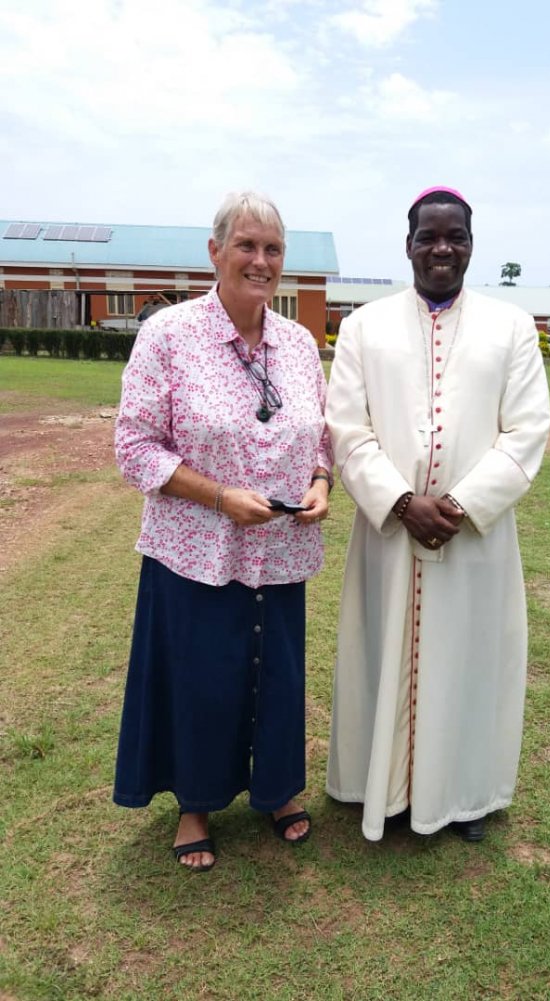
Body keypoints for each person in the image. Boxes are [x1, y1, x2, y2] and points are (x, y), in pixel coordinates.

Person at [114, 190, 333, 871]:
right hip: (196, 546)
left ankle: (276, 790)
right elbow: (134, 445)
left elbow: (320, 437)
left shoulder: (298, 343)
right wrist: (218, 496)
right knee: (202, 674)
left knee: (276, 673)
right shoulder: (169, 334)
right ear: (215, 252)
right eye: (247, 245)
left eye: (272, 249)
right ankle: (196, 803)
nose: (260, 260)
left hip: (281, 547)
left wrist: (322, 484)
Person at [325, 186, 550, 843]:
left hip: (471, 540)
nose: (442, 248)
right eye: (429, 236)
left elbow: (528, 431)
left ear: (472, 245)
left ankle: (463, 794)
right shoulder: (365, 326)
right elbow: (348, 428)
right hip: (389, 536)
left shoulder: (512, 326)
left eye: (455, 237)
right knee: (380, 652)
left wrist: (457, 504)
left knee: (470, 662)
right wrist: (400, 501)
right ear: (408, 245)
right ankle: (381, 788)